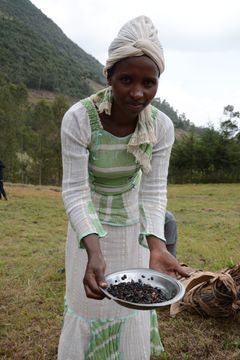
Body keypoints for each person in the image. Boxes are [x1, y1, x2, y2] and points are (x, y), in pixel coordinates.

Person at [58, 15, 188, 360]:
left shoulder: (161, 126)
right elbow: (75, 190)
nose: (138, 92)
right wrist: (93, 251)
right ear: (109, 76)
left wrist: (156, 246)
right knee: (88, 306)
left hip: (131, 229)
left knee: (130, 309)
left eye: (149, 82)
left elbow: (153, 190)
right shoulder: (78, 119)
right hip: (87, 228)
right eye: (126, 79)